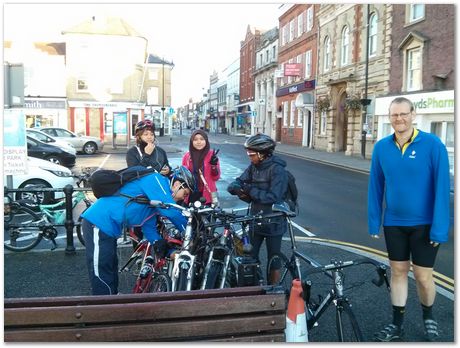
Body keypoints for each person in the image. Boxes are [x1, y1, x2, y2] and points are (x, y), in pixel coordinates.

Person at [368, 97, 450, 342]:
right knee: (398, 272)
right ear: (390, 117)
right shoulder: (381, 147)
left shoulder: (433, 145)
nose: (399, 119)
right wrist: (375, 221)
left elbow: (442, 188)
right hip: (394, 223)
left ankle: (429, 316)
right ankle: (397, 323)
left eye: (404, 114)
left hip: (424, 225)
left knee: (424, 278)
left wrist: (439, 229)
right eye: (394, 115)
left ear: (413, 114)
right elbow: (375, 186)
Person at [81, 166, 196, 295]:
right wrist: (190, 233)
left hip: (108, 228)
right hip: (97, 222)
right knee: (101, 269)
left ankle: (111, 300)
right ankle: (102, 308)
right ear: (177, 184)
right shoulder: (155, 179)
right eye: (185, 193)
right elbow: (171, 211)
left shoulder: (155, 202)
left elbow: (149, 227)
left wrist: (162, 246)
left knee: (110, 267)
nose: (183, 199)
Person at [227, 133, 288, 284]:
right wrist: (235, 187)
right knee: (250, 256)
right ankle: (253, 289)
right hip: (255, 220)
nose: (249, 156)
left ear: (262, 154)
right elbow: (240, 181)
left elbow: (272, 197)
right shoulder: (253, 167)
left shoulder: (278, 170)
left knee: (274, 258)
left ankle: (273, 292)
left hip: (274, 221)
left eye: (251, 154)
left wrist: (249, 190)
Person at [182, 129, 221, 205]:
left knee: (207, 216)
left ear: (206, 141)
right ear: (191, 142)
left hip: (208, 194)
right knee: (192, 216)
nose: (199, 142)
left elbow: (216, 177)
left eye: (202, 139)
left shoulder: (211, 155)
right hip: (191, 194)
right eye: (195, 139)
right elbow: (183, 175)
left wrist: (213, 166)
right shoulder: (187, 156)